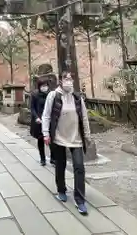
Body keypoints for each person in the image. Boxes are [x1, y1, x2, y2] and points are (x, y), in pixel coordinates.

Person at [42, 71, 91, 215]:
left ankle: (79, 199)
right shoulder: (54, 95)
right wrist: (45, 134)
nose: (69, 81)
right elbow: (46, 115)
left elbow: (84, 117)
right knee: (60, 164)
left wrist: (87, 135)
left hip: (76, 137)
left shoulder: (77, 97)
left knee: (79, 167)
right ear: (60, 81)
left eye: (71, 78)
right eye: (66, 78)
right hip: (59, 136)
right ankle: (61, 190)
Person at [30, 77, 55, 166]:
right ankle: (43, 158)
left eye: (46, 85)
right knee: (41, 139)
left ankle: (53, 158)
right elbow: (32, 108)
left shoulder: (51, 95)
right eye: (43, 86)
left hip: (49, 120)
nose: (45, 87)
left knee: (52, 139)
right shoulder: (35, 94)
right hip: (39, 119)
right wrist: (36, 117)